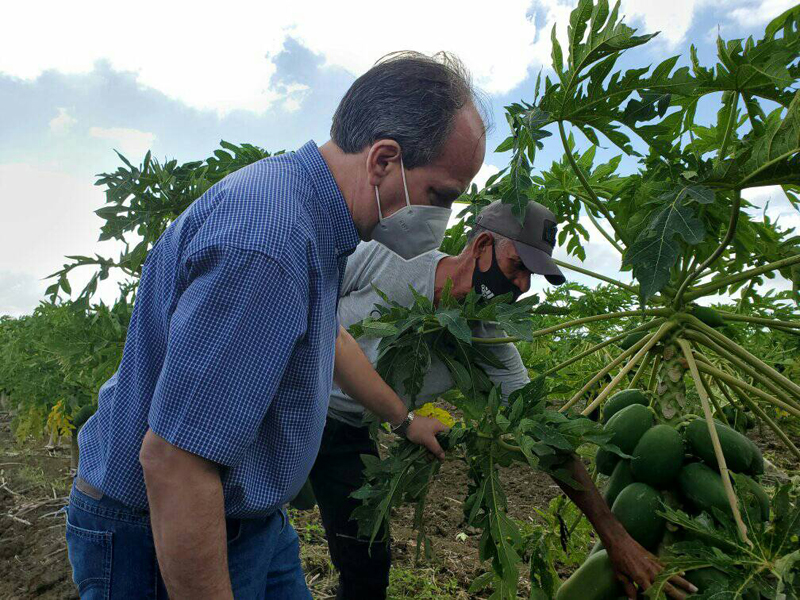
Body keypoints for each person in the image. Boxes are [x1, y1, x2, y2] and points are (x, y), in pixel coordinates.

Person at [64, 51, 489, 599]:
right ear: (383, 160)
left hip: (249, 520)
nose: (441, 221)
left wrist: (403, 420)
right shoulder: (270, 245)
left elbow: (329, 338)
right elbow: (174, 464)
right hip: (162, 529)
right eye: (440, 196)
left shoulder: (315, 217)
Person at [310, 200, 697, 600]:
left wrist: (616, 538)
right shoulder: (390, 255)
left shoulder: (490, 341)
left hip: (349, 431)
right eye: (518, 266)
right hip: (292, 399)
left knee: (367, 568)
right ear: (481, 247)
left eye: (532, 275)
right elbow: (307, 299)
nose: (524, 285)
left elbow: (546, 438)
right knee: (266, 519)